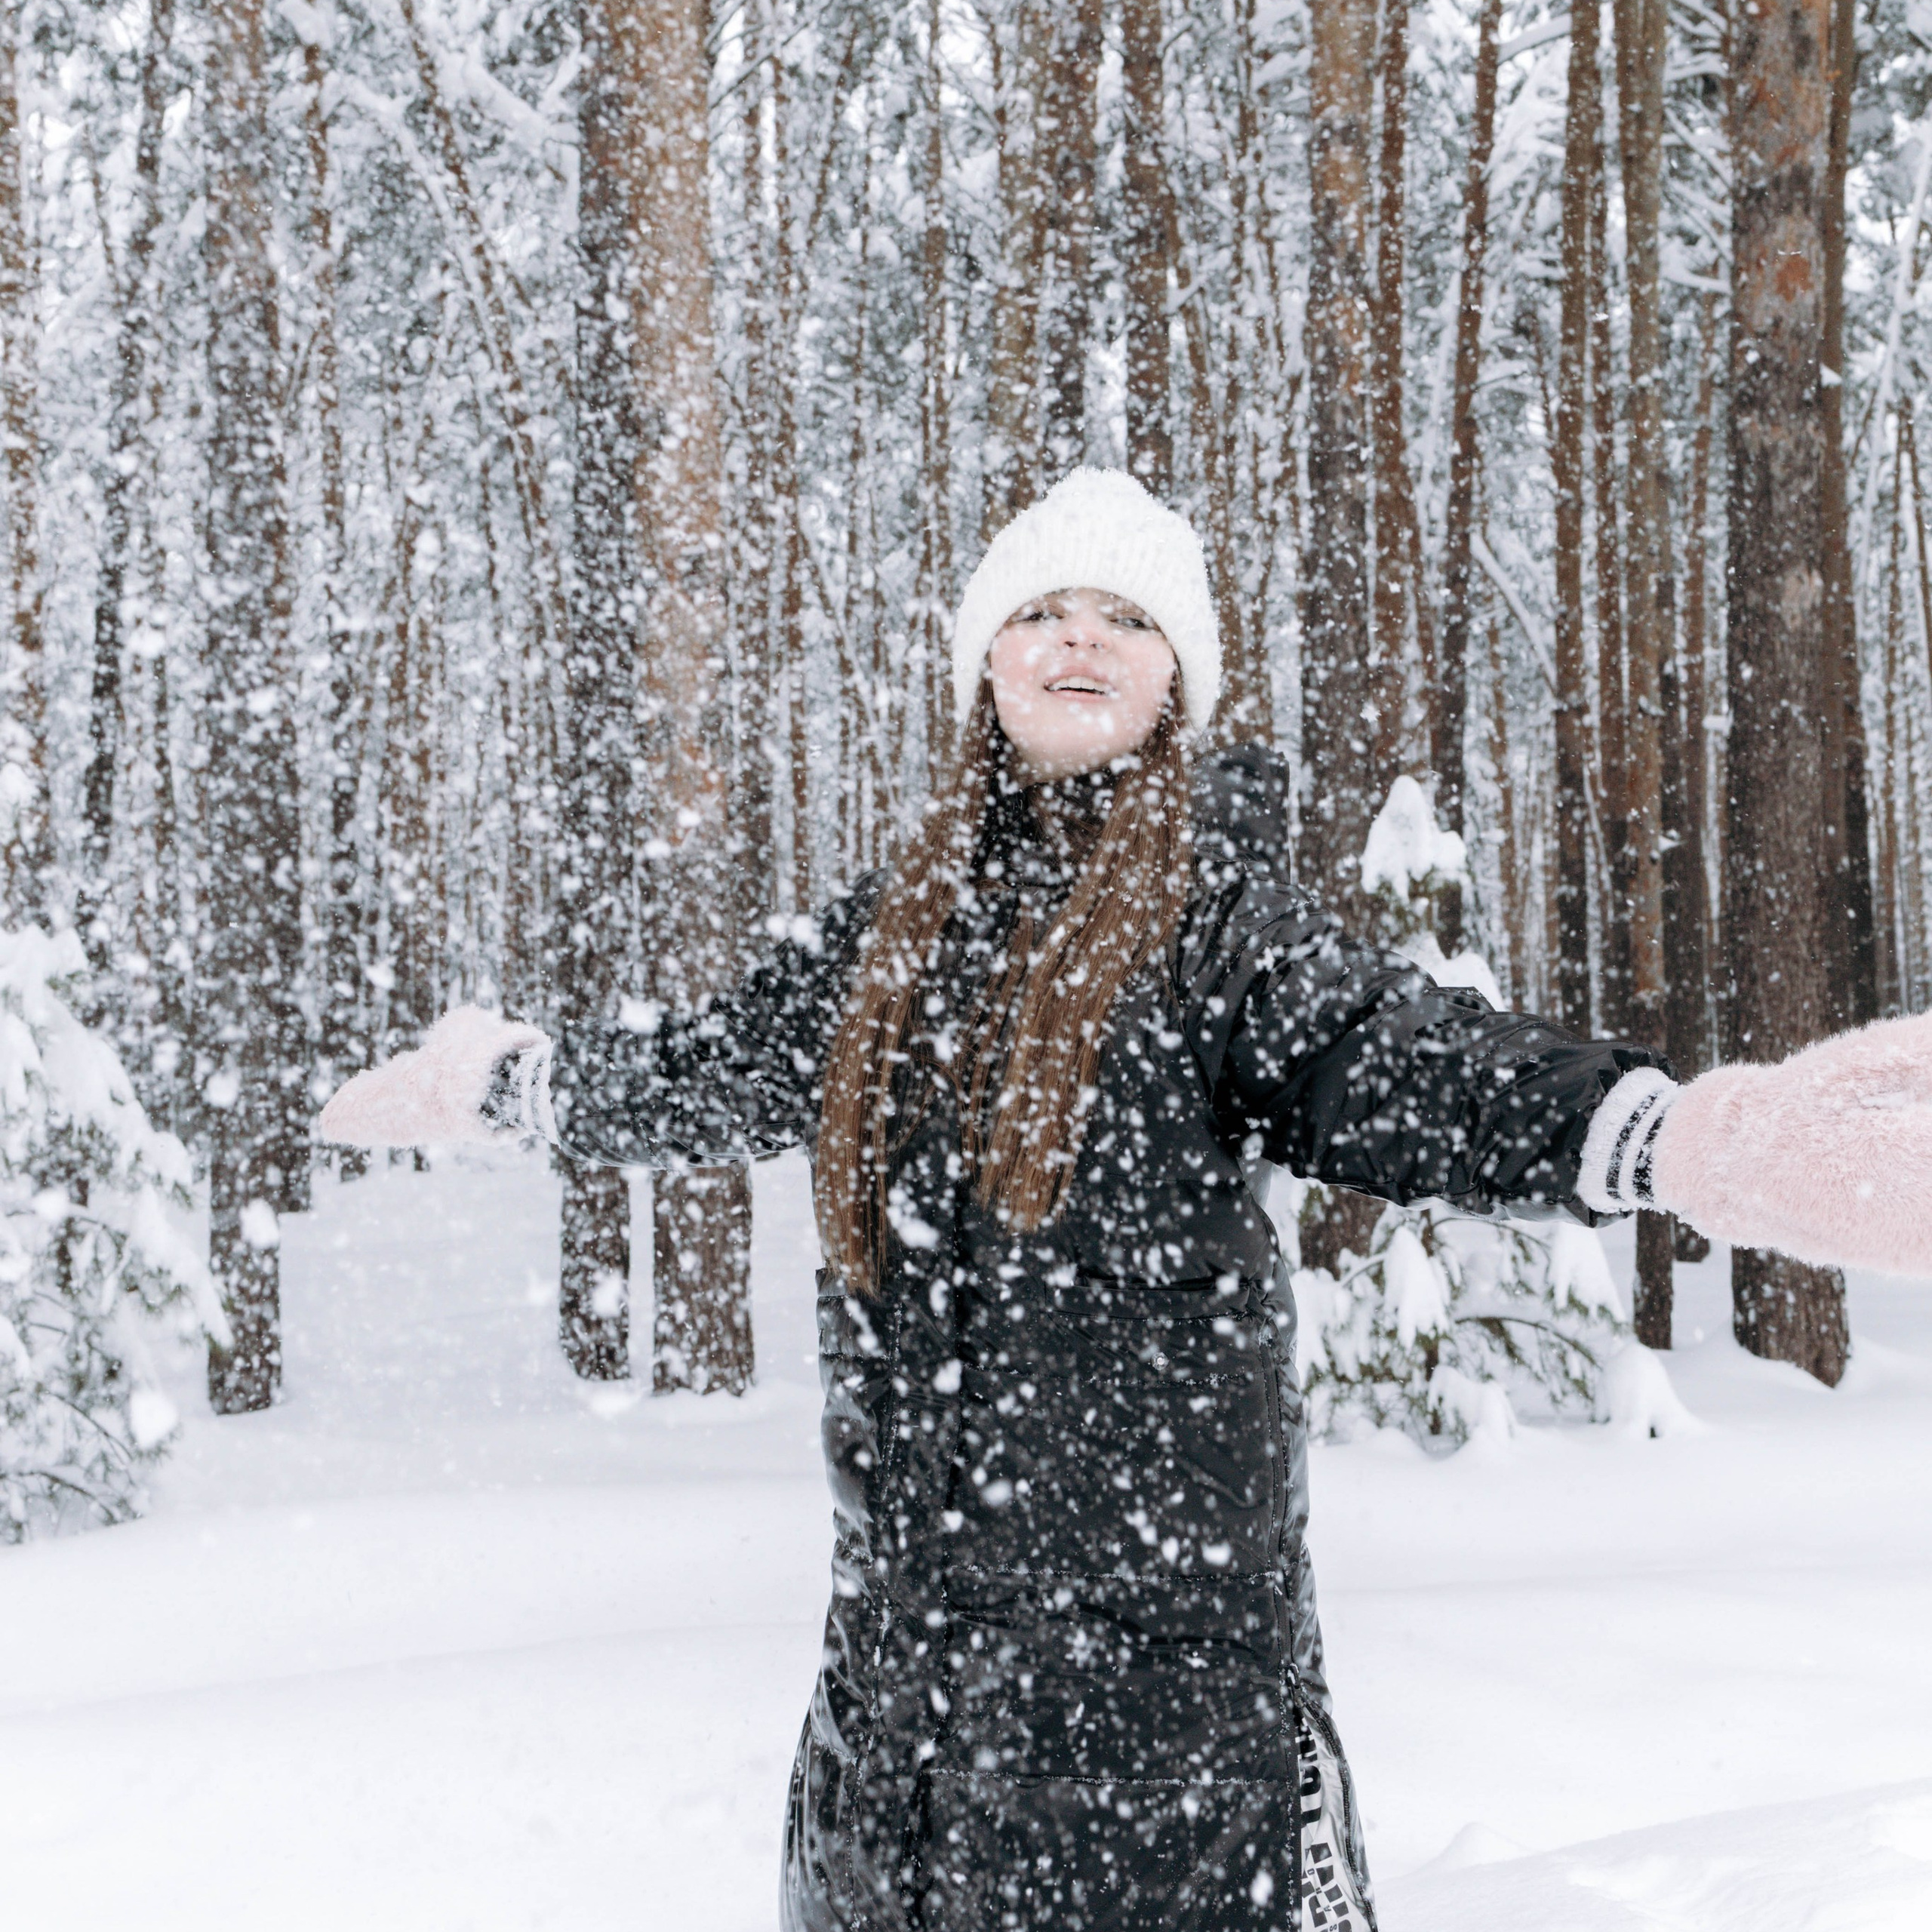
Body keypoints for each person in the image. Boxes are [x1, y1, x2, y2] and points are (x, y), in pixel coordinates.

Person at [319, 466, 1932, 1932]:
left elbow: (1399, 1061)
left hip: (1155, 1750)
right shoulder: (892, 935)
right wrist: (511, 1079)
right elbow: (708, 1069)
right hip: (894, 1736)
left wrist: (1669, 1136)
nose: (1076, 640)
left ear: (1176, 679)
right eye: (1039, 609)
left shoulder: (1217, 926)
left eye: (1122, 617)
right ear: (983, 661)